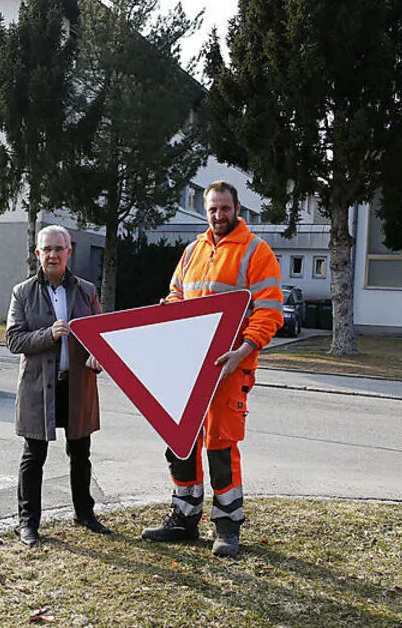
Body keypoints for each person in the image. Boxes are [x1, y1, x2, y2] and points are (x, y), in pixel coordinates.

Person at [141, 180, 284, 557]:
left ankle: (227, 526)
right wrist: (168, 310)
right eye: (212, 209)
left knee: (220, 446)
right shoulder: (192, 251)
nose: (218, 216)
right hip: (188, 366)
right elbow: (176, 296)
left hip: (230, 368)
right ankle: (184, 518)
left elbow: (269, 313)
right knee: (180, 440)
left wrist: (241, 352)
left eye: (224, 208)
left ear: (237, 209)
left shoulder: (257, 251)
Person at [6, 224, 111, 546]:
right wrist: (48, 335)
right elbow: (12, 339)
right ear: (38, 253)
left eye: (58, 248)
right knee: (33, 455)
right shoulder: (22, 292)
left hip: (77, 386)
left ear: (69, 252)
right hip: (39, 387)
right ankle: (28, 523)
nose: (53, 254)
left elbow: (101, 337)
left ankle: (85, 513)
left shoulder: (86, 291)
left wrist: (98, 356)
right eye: (46, 249)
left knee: (81, 452)